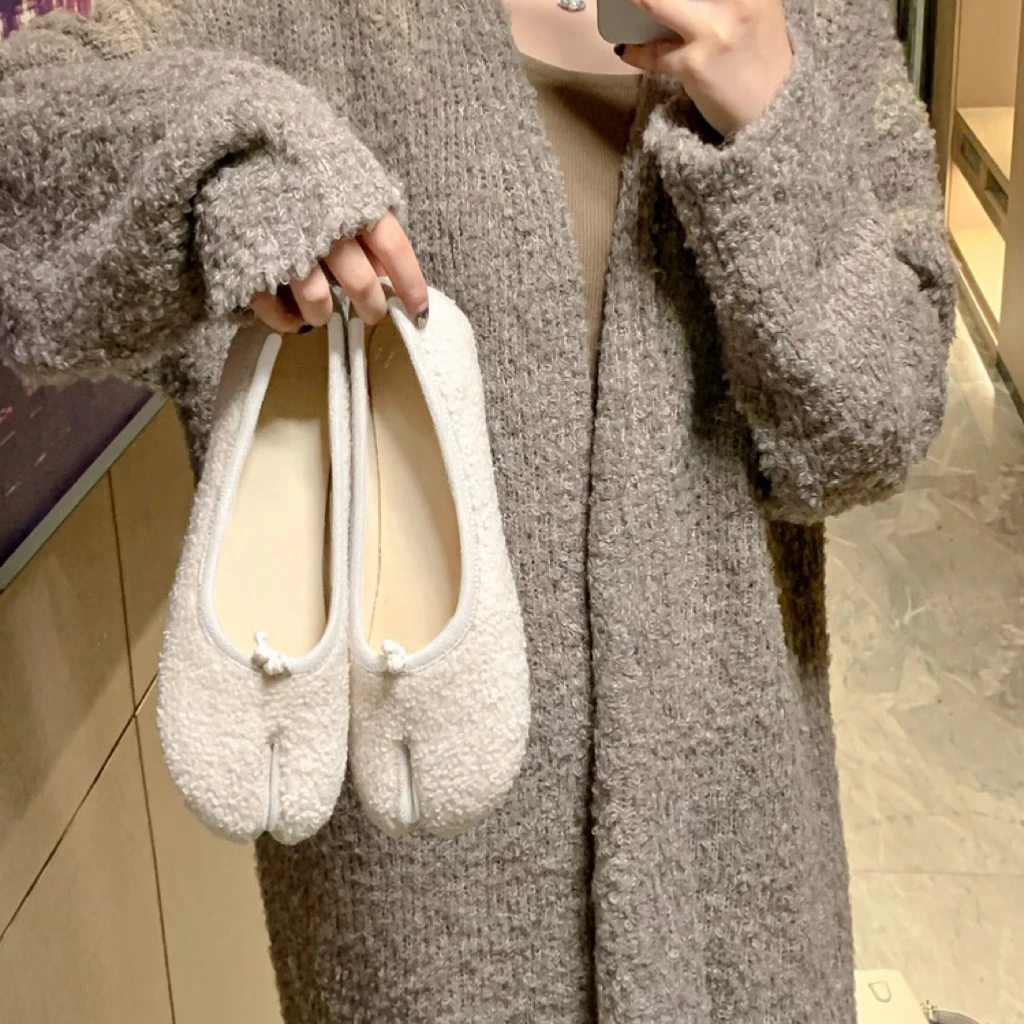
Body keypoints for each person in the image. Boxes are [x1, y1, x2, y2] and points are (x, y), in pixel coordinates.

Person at [0, 0, 955, 1020]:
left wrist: (774, 127)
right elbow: (25, 154)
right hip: (425, 913)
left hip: (742, 887)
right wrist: (226, 156)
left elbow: (874, 431)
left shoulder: (812, 14)